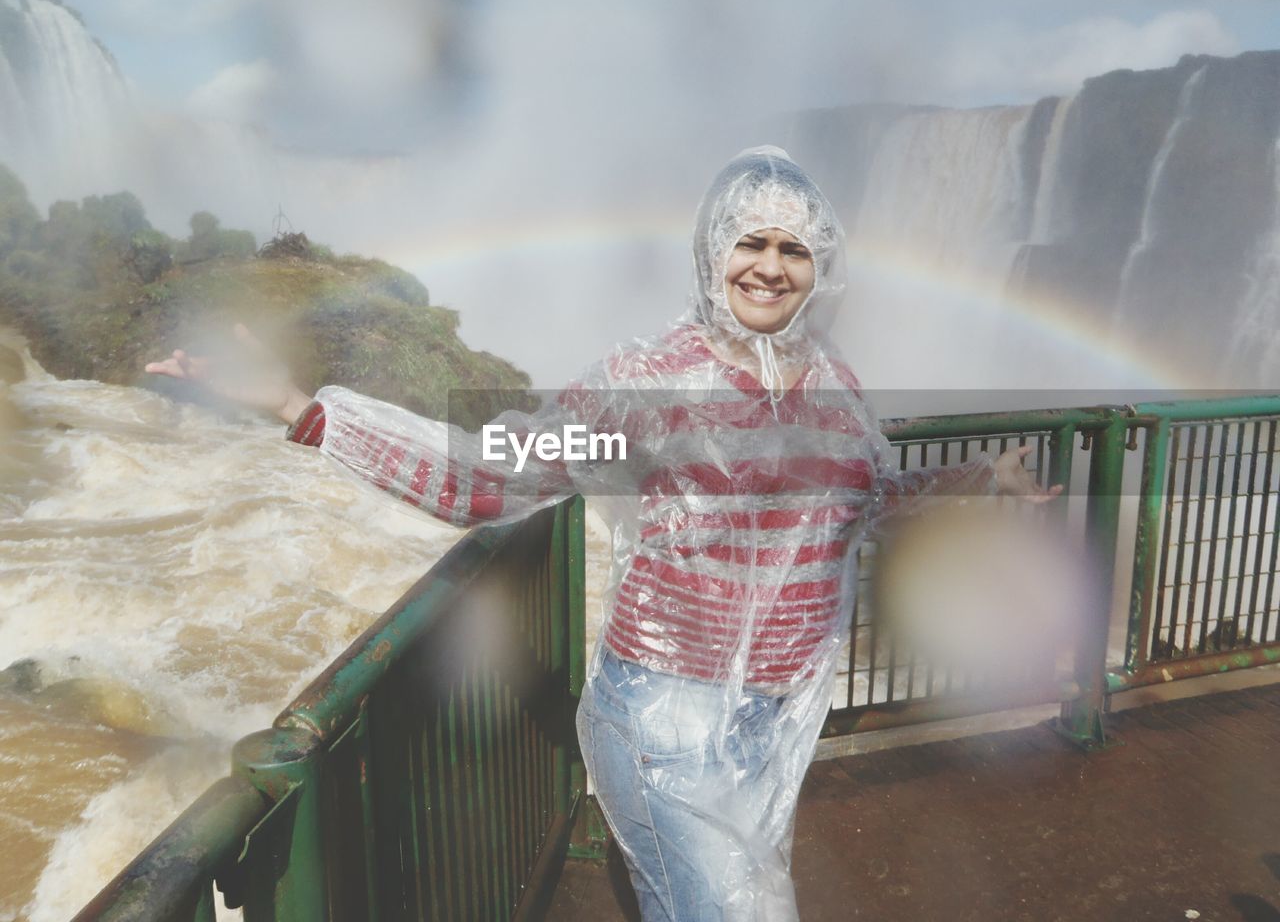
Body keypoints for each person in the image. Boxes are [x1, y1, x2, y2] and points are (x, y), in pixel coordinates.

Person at [146, 146, 1058, 922]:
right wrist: (301, 408)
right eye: (751, 242)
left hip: (769, 724)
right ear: (713, 251)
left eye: (793, 250)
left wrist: (984, 479)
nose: (771, 267)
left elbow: (862, 500)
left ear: (822, 268)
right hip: (666, 717)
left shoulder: (836, 387)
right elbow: (484, 478)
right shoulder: (645, 382)